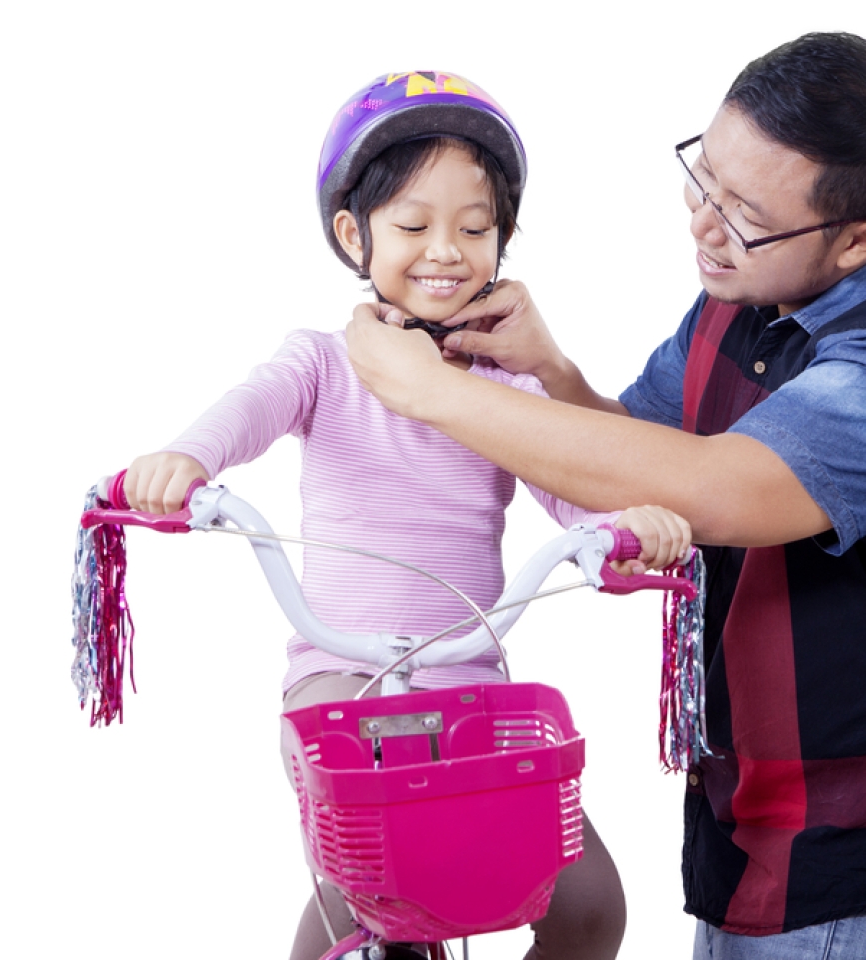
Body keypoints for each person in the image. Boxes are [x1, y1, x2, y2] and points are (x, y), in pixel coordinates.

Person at [344, 36, 866, 960]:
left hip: (852, 837)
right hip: (741, 816)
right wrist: (548, 370)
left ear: (858, 241)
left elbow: (718, 490)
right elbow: (641, 453)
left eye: (748, 216)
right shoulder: (750, 291)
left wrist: (432, 393)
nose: (705, 226)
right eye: (707, 181)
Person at [118, 71, 691, 960]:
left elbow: (575, 500)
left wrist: (630, 532)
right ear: (355, 235)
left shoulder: (503, 391)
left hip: (474, 688)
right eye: (414, 226)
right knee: (376, 889)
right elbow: (250, 407)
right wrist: (185, 461)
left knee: (588, 907)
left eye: (474, 227)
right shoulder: (322, 363)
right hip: (342, 688)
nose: (447, 250)